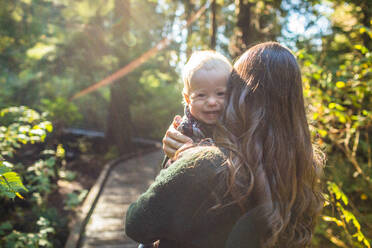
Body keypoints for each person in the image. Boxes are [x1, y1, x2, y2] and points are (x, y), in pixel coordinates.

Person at [125, 42, 324, 248]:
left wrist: (178, 165)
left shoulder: (206, 165)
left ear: (242, 96)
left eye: (224, 92)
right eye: (203, 95)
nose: (214, 103)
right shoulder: (301, 173)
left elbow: (136, 224)